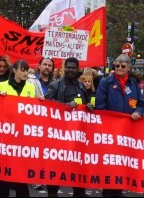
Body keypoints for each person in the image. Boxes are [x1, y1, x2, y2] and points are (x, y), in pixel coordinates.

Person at [95, 54, 144, 197]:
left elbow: (141, 103)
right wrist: (109, 123)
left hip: (128, 131)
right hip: (110, 131)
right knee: (110, 160)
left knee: (123, 160)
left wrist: (138, 112)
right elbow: (100, 105)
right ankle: (108, 190)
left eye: (123, 66)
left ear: (129, 67)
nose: (119, 68)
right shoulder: (106, 82)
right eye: (117, 66)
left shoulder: (134, 84)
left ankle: (118, 189)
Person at [45, 57, 93, 198]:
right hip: (59, 132)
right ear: (64, 68)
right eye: (68, 67)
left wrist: (90, 106)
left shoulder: (81, 86)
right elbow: (47, 103)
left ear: (78, 69)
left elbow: (87, 102)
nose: (70, 70)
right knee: (56, 164)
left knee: (78, 163)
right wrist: (65, 105)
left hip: (77, 133)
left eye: (73, 68)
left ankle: (79, 192)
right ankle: (53, 193)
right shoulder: (55, 85)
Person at [0, 59, 36, 197]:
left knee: (21, 171)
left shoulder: (31, 87)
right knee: (4, 171)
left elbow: (35, 109)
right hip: (6, 135)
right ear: (14, 71)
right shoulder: (1, 86)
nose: (25, 73)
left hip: (23, 136)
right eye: (22, 70)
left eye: (26, 70)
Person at [26, 56, 54, 192]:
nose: (47, 67)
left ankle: (44, 174)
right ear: (39, 65)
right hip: (34, 120)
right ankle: (34, 177)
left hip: (50, 121)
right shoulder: (30, 80)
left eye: (50, 65)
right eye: (45, 64)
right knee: (34, 149)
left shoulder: (56, 83)